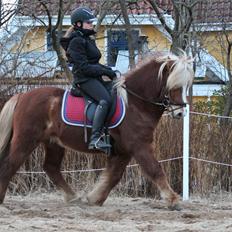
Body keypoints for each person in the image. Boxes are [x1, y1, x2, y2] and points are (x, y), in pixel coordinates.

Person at [60, 7, 116, 151]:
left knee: (115, 92)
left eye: (91, 22)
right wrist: (104, 71)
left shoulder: (87, 39)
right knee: (105, 100)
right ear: (78, 24)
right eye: (88, 22)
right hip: (83, 79)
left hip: (93, 77)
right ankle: (95, 138)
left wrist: (109, 70)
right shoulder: (76, 42)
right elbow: (84, 68)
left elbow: (94, 63)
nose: (91, 24)